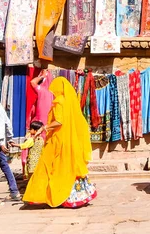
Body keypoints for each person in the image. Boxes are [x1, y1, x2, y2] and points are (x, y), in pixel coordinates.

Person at [22, 77, 97, 208]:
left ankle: (50, 195)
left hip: (58, 140)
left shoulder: (59, 102)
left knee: (52, 166)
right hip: (69, 141)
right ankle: (76, 196)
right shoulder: (69, 103)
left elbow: (59, 122)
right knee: (69, 166)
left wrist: (43, 128)